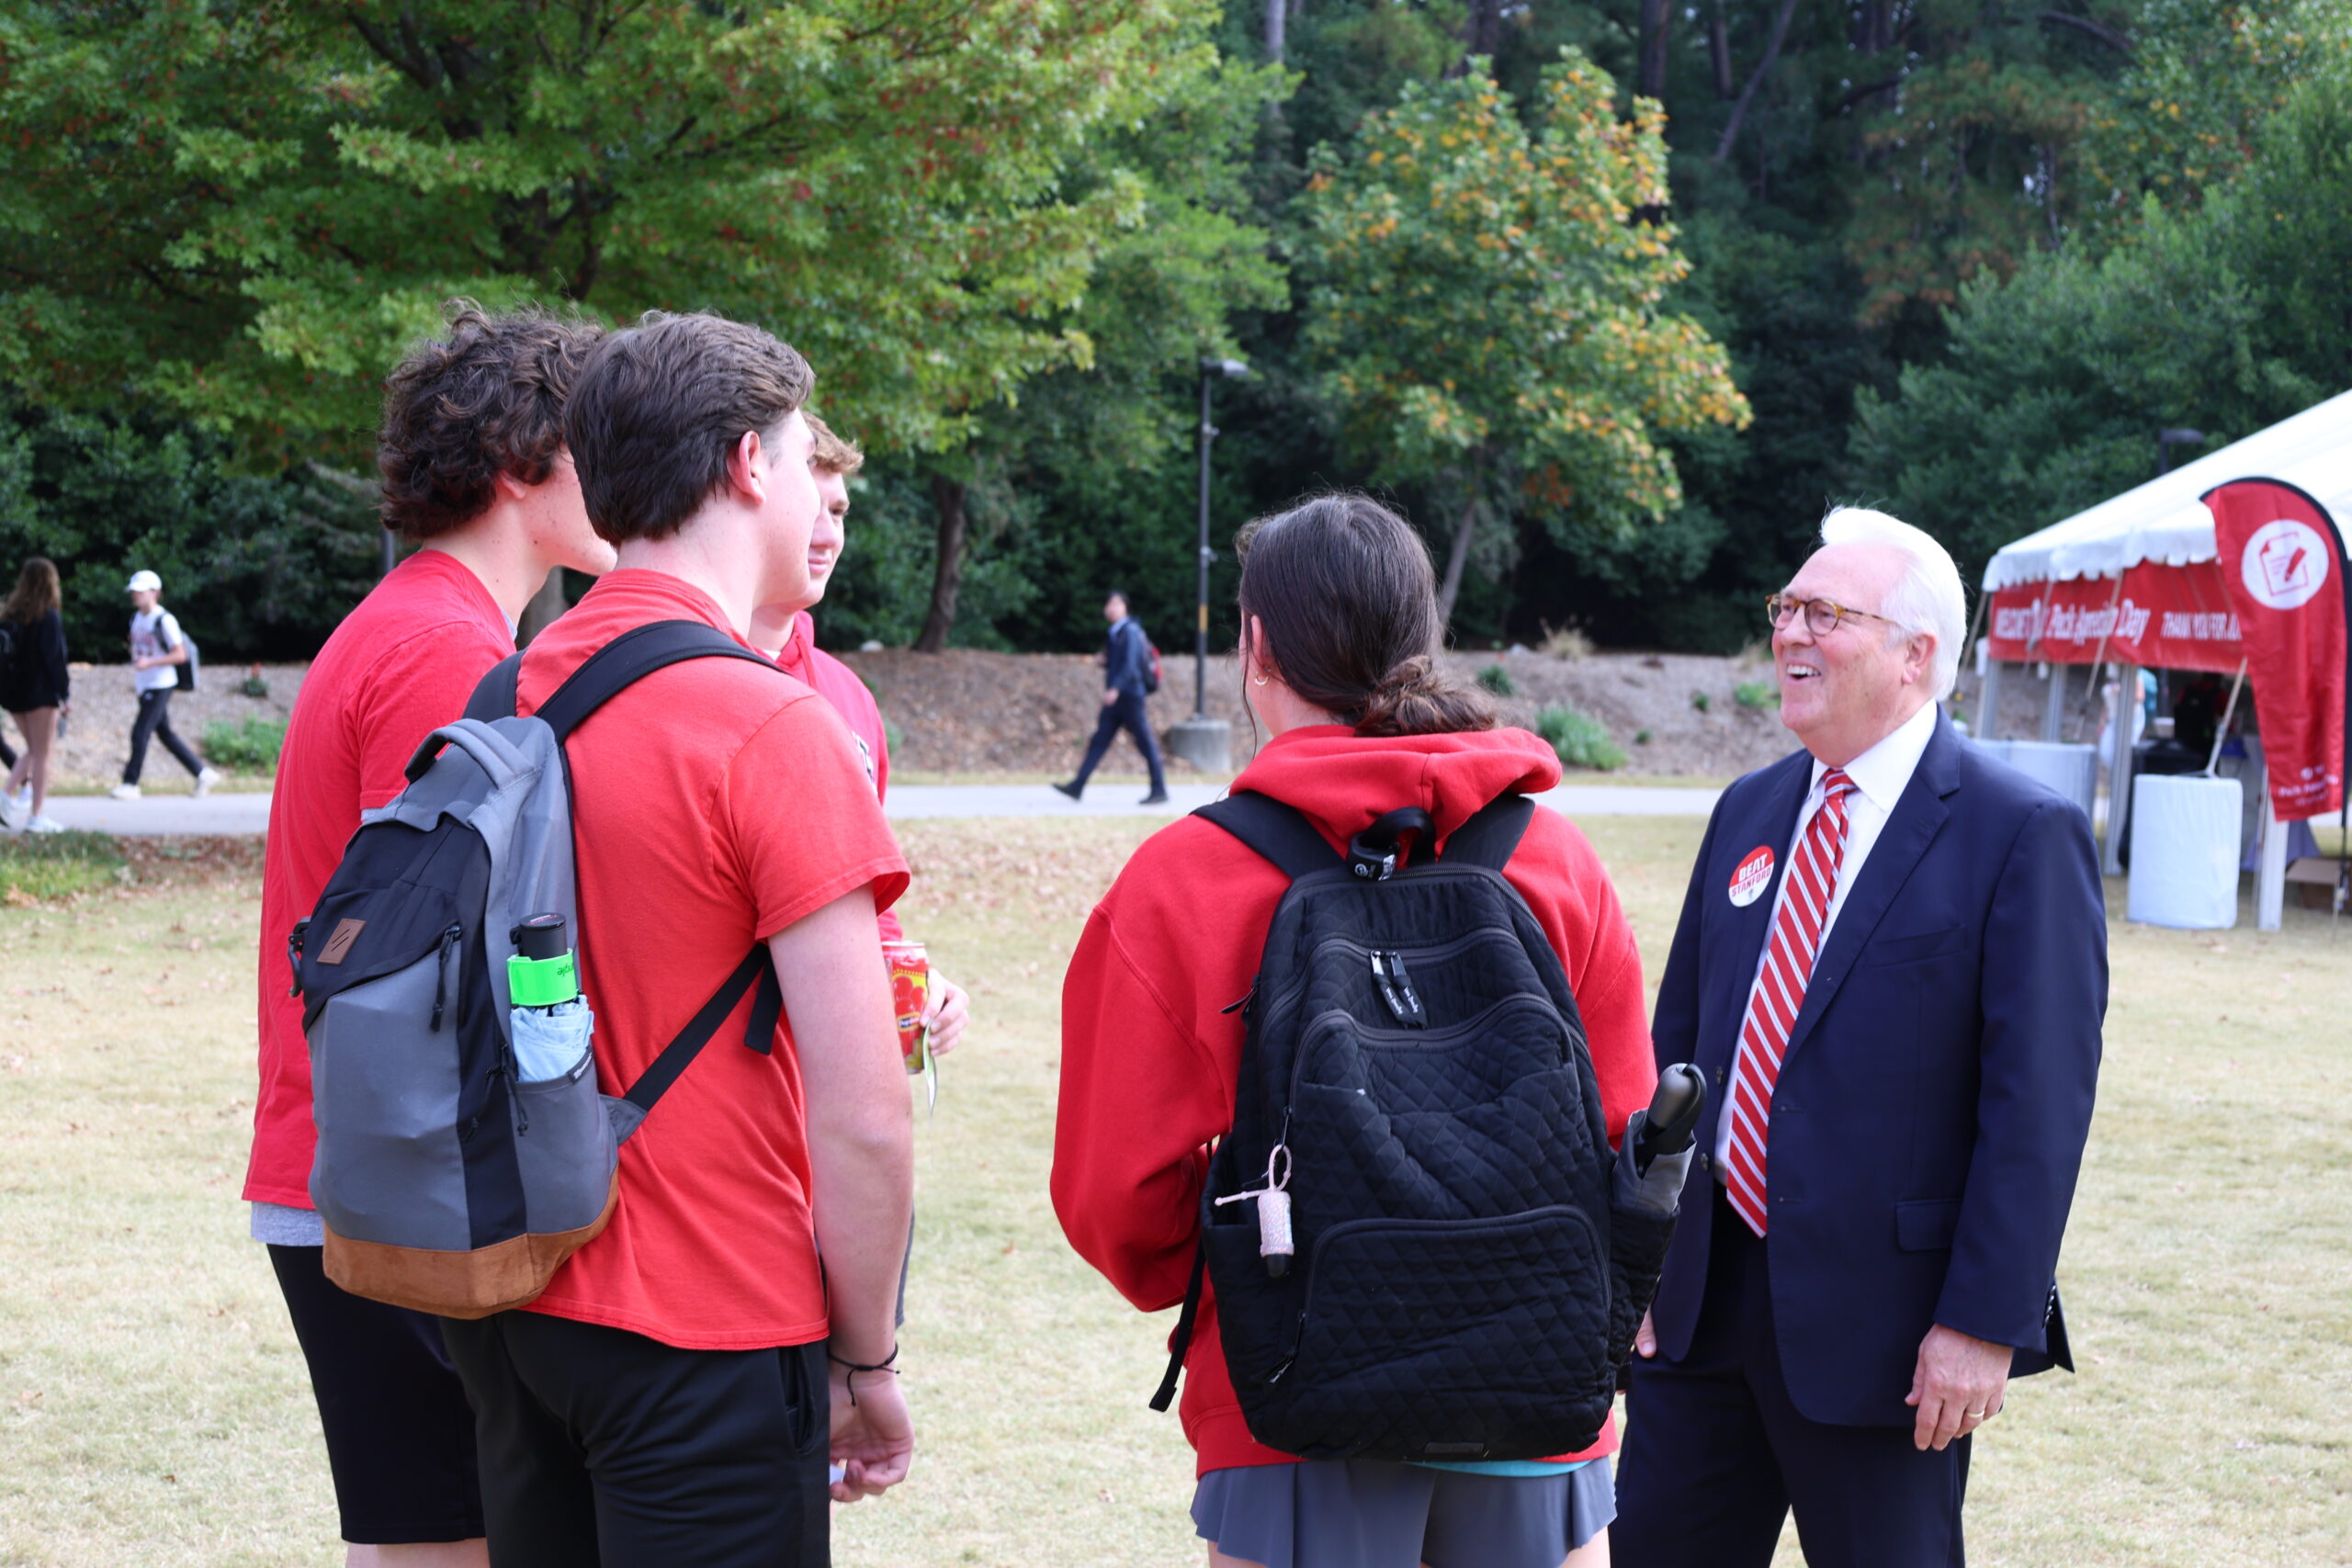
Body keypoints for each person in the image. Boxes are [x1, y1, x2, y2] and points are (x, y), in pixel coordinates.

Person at [1054, 494, 1659, 1568]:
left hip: (1287, 1403)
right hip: (1534, 1395)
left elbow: (1114, 1191)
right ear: (1420, 640)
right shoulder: (1553, 862)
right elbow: (1621, 1128)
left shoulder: (1183, 881)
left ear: (1255, 647)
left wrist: (1244, 1268)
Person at [436, 310, 916, 1567]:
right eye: (806, 455)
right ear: (751, 466)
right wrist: (866, 1355)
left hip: (516, 1299)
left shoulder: (510, 689)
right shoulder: (770, 727)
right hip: (704, 1318)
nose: (818, 484)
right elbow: (865, 1115)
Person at [1613, 507, 2106, 1567]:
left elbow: (2038, 1108)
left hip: (1887, 1339)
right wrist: (1637, 1266)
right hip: (1699, 1314)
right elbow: (1677, 1057)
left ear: (1915, 654)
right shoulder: (1747, 810)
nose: (1789, 633)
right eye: (1785, 607)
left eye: (1824, 613)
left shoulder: (2016, 832)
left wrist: (1982, 1324)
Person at [244, 303, 618, 1568]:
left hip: (377, 1170)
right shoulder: (443, 652)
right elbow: (421, 965)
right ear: (524, 470)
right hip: (399, 1180)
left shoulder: (427, 626)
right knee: (441, 1548)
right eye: (597, 448)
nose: (623, 479)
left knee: (427, 1539)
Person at [748, 412, 968, 1056]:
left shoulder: (849, 697)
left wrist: (915, 982)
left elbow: (863, 895)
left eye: (839, 512)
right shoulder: (683, 680)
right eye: (810, 507)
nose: (826, 535)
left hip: (828, 1086)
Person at [109, 570, 220, 799]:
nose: (136, 595)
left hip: (161, 683)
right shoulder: (136, 618)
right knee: (165, 734)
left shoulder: (165, 620)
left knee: (140, 731)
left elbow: (180, 655)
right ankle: (202, 773)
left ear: (155, 593)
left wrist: (150, 662)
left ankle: (130, 783)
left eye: (141, 591)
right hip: (145, 684)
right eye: (134, 591)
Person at [1053, 588, 1169, 805]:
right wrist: (1104, 662)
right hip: (1118, 699)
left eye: (1116, 604)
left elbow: (1131, 664)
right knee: (1099, 740)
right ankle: (1077, 786)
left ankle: (1159, 789)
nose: (1111, 608)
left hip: (1130, 696)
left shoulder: (1130, 631)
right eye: (1109, 604)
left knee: (1145, 742)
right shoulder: (1115, 632)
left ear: (1125, 607)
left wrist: (1115, 688)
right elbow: (1119, 661)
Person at [0, 557, 71, 834]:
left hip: (12, 694)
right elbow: (54, 659)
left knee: (33, 749)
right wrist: (64, 694)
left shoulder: (9, 616)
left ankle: (6, 796)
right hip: (40, 693)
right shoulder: (48, 616)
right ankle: (36, 816)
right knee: (43, 754)